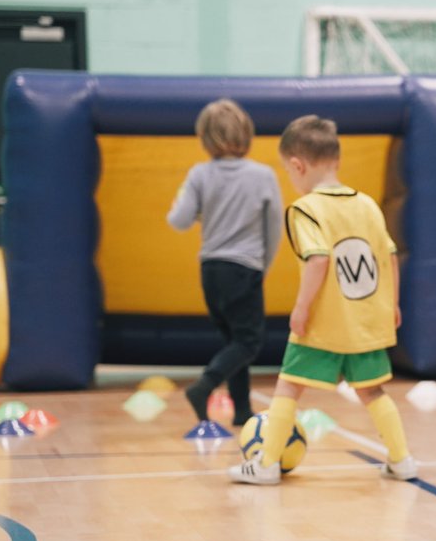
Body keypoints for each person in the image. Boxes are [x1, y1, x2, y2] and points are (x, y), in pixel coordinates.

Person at [229, 115, 417, 485]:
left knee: (288, 386)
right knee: (373, 391)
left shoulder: (305, 209)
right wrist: (392, 304)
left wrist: (300, 309)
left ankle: (266, 464)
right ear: (337, 160)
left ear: (297, 166)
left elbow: (319, 258)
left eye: (288, 171)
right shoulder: (366, 204)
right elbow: (391, 257)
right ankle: (402, 460)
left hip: (323, 321)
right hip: (364, 320)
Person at [168, 98, 283, 428]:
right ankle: (204, 386)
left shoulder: (199, 174)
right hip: (244, 268)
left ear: (205, 138)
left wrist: (190, 204)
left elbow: (179, 220)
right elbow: (273, 226)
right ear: (247, 134)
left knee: (234, 340)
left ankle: (242, 410)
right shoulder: (262, 175)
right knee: (248, 342)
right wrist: (264, 265)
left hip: (210, 270)